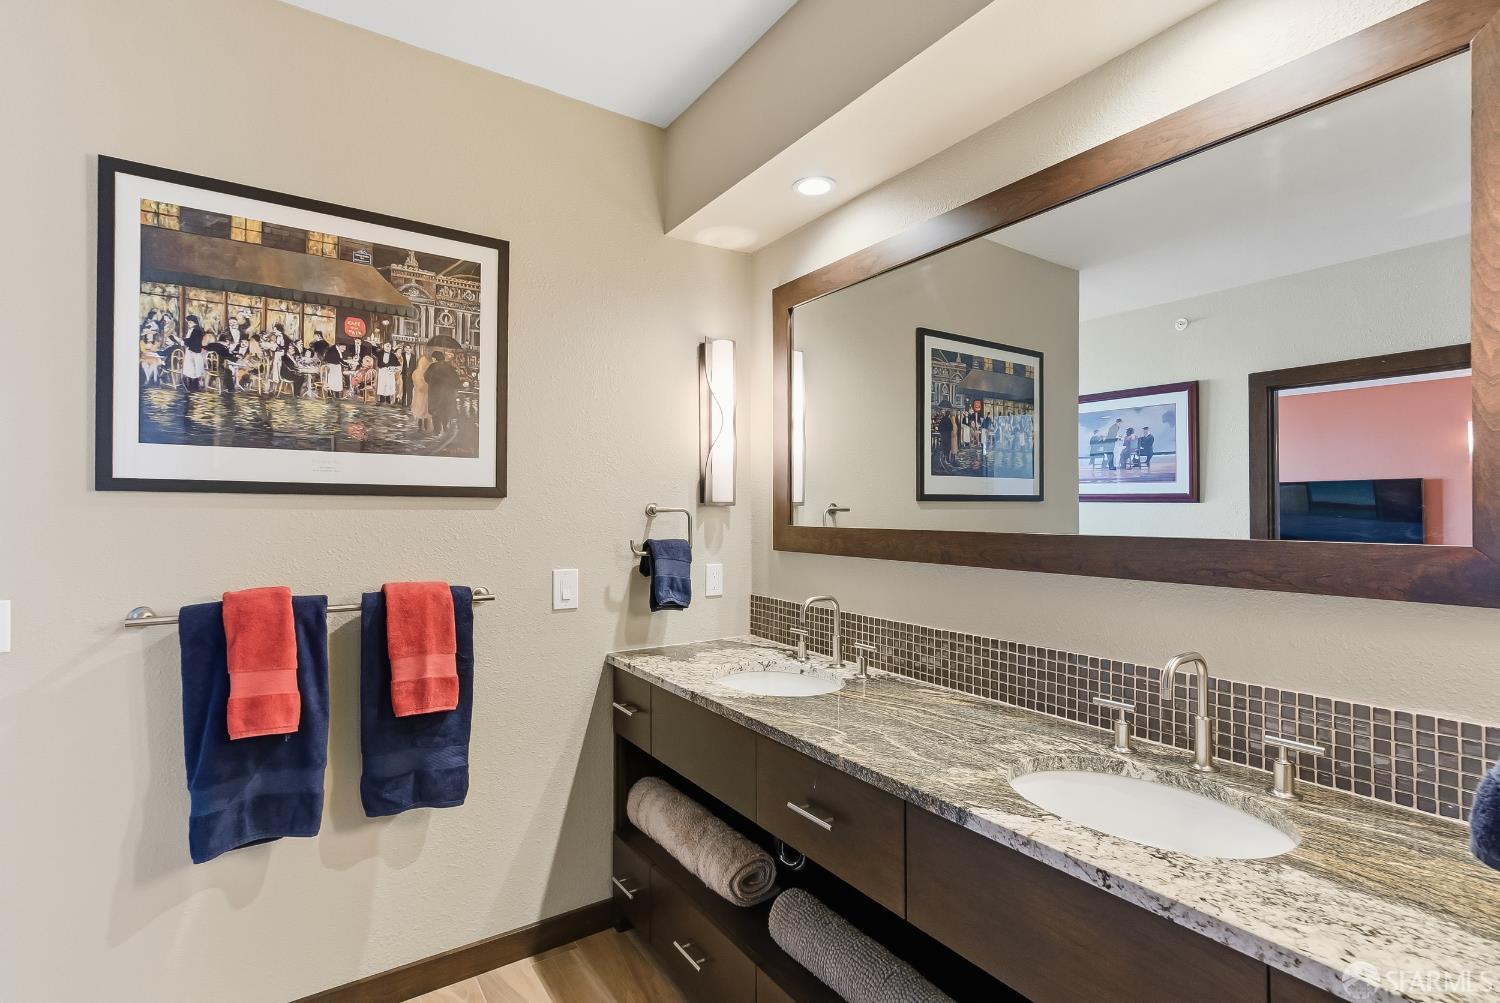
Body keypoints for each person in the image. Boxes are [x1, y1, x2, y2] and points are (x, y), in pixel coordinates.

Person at [424, 350, 460, 431]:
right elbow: (456, 380)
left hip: (434, 393)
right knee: (445, 411)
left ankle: (437, 430)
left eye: (433, 358)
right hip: (446, 394)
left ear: (435, 358)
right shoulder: (449, 367)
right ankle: (445, 427)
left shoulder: (432, 366)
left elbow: (426, 377)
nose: (432, 359)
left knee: (435, 411)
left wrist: (432, 383)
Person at [182, 316, 208, 390]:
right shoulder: (193, 329)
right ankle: (192, 386)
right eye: (188, 322)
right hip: (191, 351)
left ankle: (193, 387)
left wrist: (184, 341)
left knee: (193, 369)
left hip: (194, 352)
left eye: (190, 322)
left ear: (195, 322)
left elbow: (193, 341)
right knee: (191, 369)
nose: (188, 324)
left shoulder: (196, 330)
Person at [409, 352, 432, 431]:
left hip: (425, 395)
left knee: (425, 411)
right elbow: (419, 385)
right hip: (419, 394)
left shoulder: (427, 372)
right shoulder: (417, 372)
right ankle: (420, 428)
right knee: (420, 411)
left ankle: (425, 427)